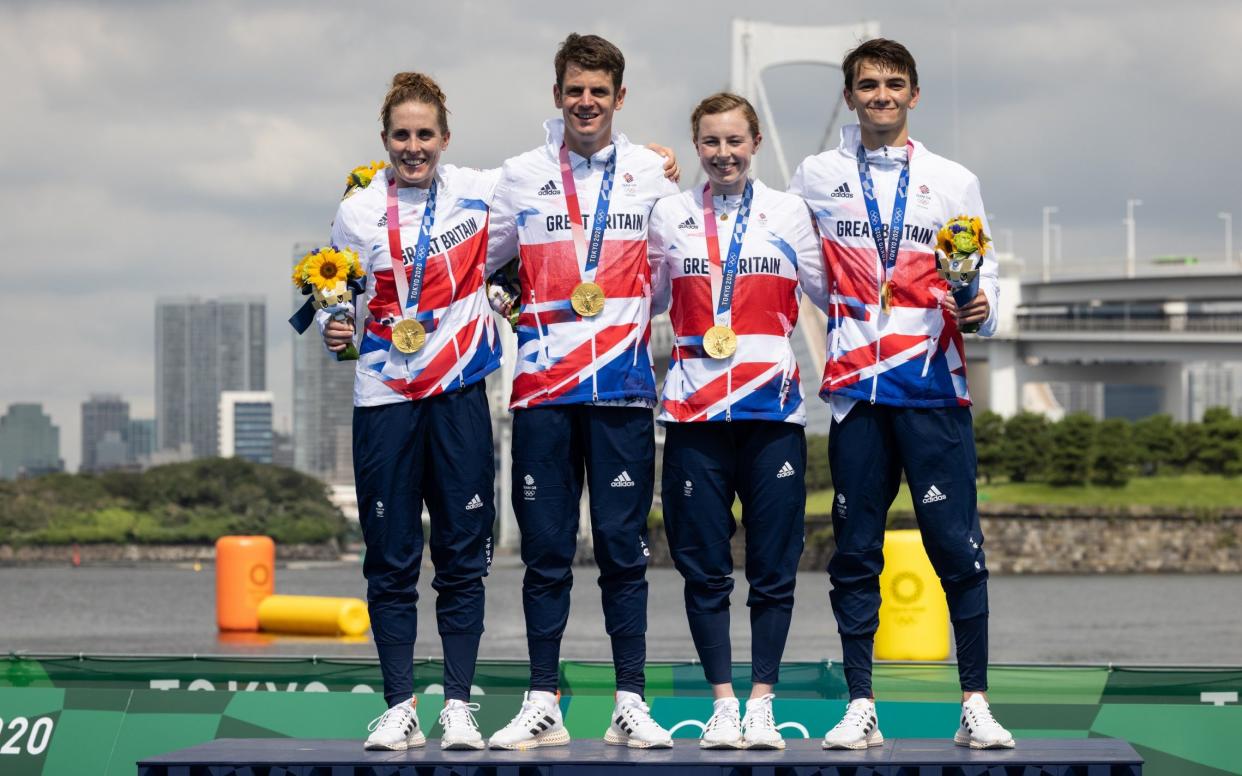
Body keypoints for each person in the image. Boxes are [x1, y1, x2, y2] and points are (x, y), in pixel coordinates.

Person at [787, 38, 1015, 750]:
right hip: (856, 391)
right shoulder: (815, 173)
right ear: (849, 97)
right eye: (866, 85)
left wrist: (984, 309)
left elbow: (984, 266)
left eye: (892, 84)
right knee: (856, 552)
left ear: (913, 94)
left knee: (958, 548)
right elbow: (794, 251)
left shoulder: (953, 178)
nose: (880, 95)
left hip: (933, 388)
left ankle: (974, 703)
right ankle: (861, 705)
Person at [484, 33, 680, 750]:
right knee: (544, 551)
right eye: (574, 90)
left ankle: (631, 700)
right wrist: (519, 312)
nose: (586, 102)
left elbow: (665, 277)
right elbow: (484, 262)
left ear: (619, 98)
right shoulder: (519, 175)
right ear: (557, 94)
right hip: (541, 393)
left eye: (600, 91)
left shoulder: (652, 175)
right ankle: (543, 700)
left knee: (624, 550)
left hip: (625, 391)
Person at [322, 72, 501, 752]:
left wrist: (653, 158)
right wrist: (338, 327)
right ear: (384, 140)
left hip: (458, 394)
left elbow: (562, 168)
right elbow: (342, 293)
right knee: (391, 559)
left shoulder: (479, 192)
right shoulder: (359, 208)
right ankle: (399, 706)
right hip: (385, 398)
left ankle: (457, 706)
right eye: (402, 134)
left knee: (461, 558)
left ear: (445, 139)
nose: (414, 146)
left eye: (425, 134)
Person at [647, 93, 824, 750]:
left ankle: (763, 702)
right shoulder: (669, 213)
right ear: (697, 148)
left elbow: (833, 296)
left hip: (772, 411)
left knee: (774, 568)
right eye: (711, 143)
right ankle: (723, 702)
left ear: (755, 144)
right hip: (693, 414)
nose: (723, 154)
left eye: (735, 141)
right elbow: (650, 298)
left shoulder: (789, 213)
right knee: (703, 568)